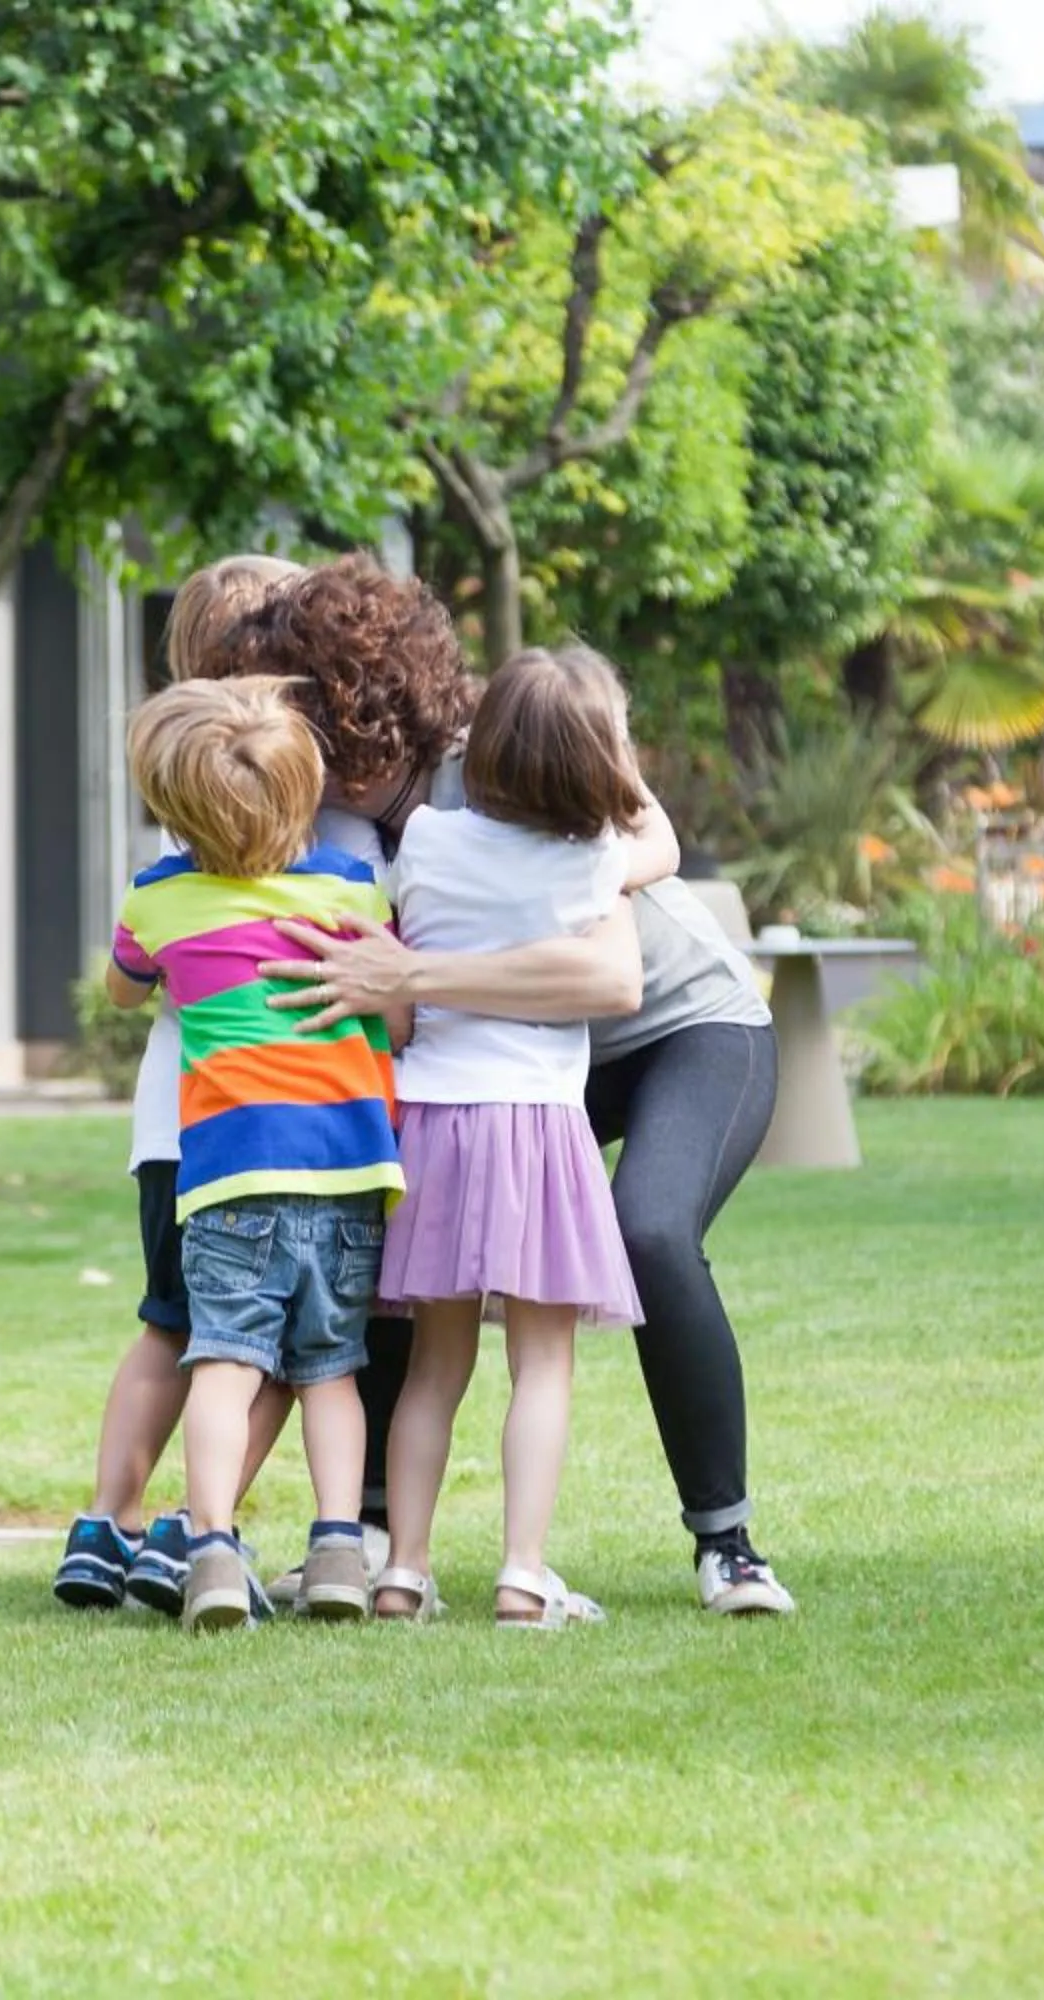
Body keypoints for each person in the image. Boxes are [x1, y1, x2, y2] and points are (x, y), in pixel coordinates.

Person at [221, 557, 798, 1616]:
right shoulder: (347, 824)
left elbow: (624, 934)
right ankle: (385, 1538)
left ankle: (728, 1544)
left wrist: (442, 959)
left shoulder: (504, 753)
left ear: (361, 725)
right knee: (387, 1222)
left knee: (650, 1230)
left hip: (684, 1031)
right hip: (522, 1065)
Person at [100, 675, 405, 1631]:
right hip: (349, 1168)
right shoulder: (352, 890)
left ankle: (214, 1553)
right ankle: (340, 1551)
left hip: (229, 1173)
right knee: (333, 1371)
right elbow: (398, 1003)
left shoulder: (158, 902)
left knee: (224, 1367)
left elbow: (122, 990)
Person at [51, 554, 314, 1615]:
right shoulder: (284, 802)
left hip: (170, 1124)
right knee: (272, 1349)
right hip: (265, 1131)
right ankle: (190, 1533)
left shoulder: (186, 791)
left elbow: (124, 987)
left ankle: (103, 1524)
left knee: (167, 1324)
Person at [372, 648, 650, 1629]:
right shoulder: (594, 862)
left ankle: (402, 1569)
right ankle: (523, 1574)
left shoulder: (427, 839)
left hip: (434, 1121)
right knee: (543, 1363)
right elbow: (648, 833)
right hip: (537, 1125)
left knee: (432, 1368)